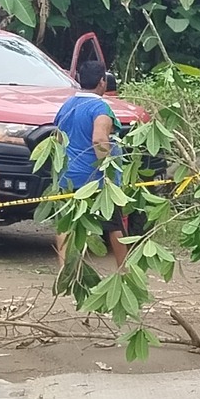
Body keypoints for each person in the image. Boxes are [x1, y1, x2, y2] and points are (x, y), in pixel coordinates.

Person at [52, 53, 129, 272]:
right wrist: (107, 170)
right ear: (102, 81)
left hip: (67, 176)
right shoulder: (100, 109)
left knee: (66, 224)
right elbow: (99, 139)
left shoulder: (67, 105)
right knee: (114, 226)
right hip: (95, 179)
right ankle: (124, 272)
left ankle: (65, 270)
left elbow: (57, 137)